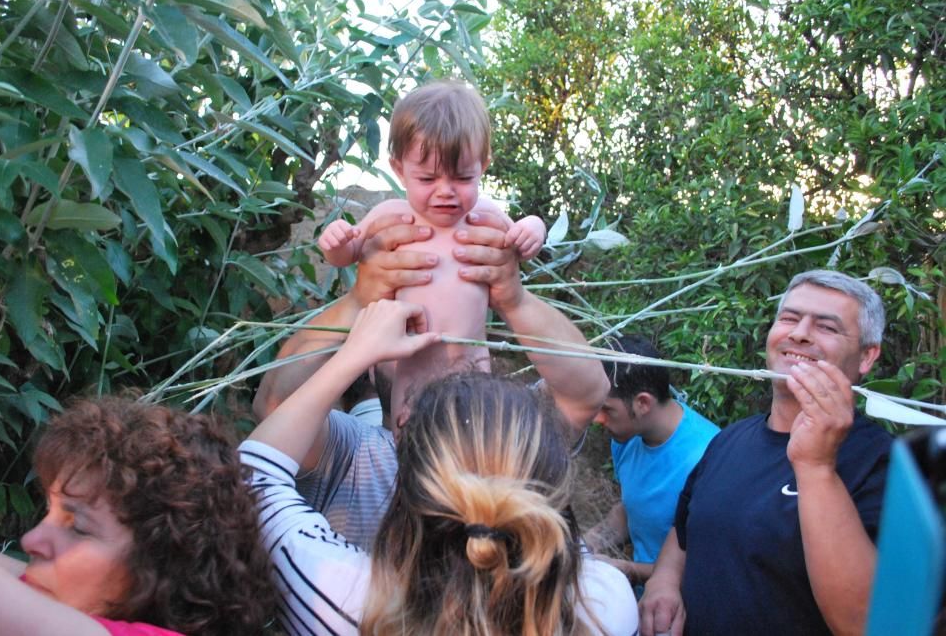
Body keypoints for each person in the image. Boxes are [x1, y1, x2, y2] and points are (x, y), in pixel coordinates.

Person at [241, 299, 639, 635]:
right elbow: (586, 391)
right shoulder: (605, 605)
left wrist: (357, 308)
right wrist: (513, 297)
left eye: (461, 333)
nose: (439, 348)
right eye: (410, 336)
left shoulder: (338, 598)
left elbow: (257, 471)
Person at [253, 210, 608, 550]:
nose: (435, 342)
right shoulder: (352, 453)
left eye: (455, 329)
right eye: (410, 327)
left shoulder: (510, 435)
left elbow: (587, 391)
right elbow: (275, 408)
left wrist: (513, 300)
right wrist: (358, 301)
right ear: (372, 363)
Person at [639, 270, 893, 636]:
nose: (800, 333)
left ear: (867, 356)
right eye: (789, 318)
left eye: (827, 327)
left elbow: (867, 625)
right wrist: (663, 580)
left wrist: (816, 467)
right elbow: (685, 531)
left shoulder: (884, 464)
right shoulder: (729, 440)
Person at [0, 397, 276, 636]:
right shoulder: (65, 598)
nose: (29, 540)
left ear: (164, 565)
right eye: (49, 513)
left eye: (77, 527)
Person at [318, 80, 546, 419]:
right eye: (427, 179)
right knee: (406, 436)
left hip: (472, 366)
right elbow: (347, 253)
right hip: (412, 365)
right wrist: (336, 240)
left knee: (471, 437)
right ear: (400, 169)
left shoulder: (485, 216)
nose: (446, 192)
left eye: (463, 178)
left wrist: (533, 227)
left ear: (482, 165)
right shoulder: (391, 215)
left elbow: (521, 243)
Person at [584, 336, 719, 588]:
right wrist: (588, 544)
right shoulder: (626, 437)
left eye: (606, 409)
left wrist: (630, 570)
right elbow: (630, 509)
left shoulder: (708, 458)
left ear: (643, 403)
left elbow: (708, 562)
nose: (597, 419)